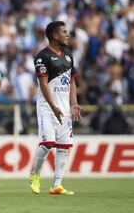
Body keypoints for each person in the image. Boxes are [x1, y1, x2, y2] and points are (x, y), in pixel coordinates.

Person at [30, 21, 82, 195]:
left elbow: (72, 80)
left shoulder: (68, 56)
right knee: (47, 144)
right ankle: (35, 174)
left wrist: (73, 104)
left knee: (64, 146)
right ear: (55, 35)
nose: (67, 35)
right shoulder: (42, 56)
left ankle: (56, 185)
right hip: (47, 107)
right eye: (64, 32)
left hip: (64, 109)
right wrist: (53, 106)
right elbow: (43, 84)